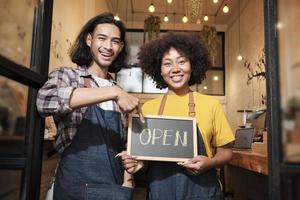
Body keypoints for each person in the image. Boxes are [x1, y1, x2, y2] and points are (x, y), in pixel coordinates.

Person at [37, 12, 144, 200]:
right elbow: (45, 101)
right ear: (89, 40)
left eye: (115, 41)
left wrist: (130, 177)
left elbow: (128, 145)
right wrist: (113, 92)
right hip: (73, 185)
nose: (108, 47)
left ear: (120, 48)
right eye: (102, 38)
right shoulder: (68, 76)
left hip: (113, 188)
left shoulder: (121, 93)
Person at [119, 32, 235, 200]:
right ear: (159, 69)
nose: (175, 69)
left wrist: (210, 163)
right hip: (160, 193)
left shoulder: (211, 105)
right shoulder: (148, 109)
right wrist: (137, 165)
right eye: (167, 63)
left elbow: (226, 152)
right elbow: (145, 159)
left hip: (203, 193)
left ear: (192, 64)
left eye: (182, 61)